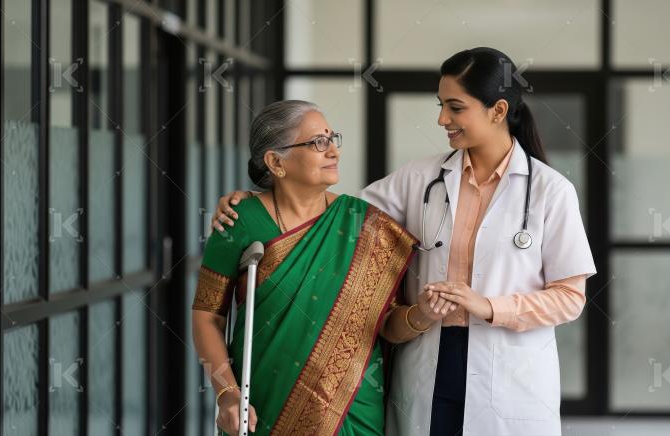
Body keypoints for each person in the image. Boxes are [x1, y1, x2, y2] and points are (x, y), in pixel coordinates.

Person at [211, 47, 596, 436]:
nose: (442, 118)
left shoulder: (550, 191)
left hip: (509, 375)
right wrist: (255, 199)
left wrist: (488, 306)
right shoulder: (420, 178)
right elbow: (330, 218)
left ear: (497, 111)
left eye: (455, 107)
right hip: (427, 361)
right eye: (441, 105)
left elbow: (570, 297)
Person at [191, 100, 445, 436]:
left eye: (331, 138)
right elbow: (207, 317)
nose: (333, 152)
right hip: (264, 406)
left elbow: (385, 325)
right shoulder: (239, 220)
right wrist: (227, 393)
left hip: (353, 410)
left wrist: (421, 316)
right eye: (317, 143)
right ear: (275, 162)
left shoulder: (364, 224)